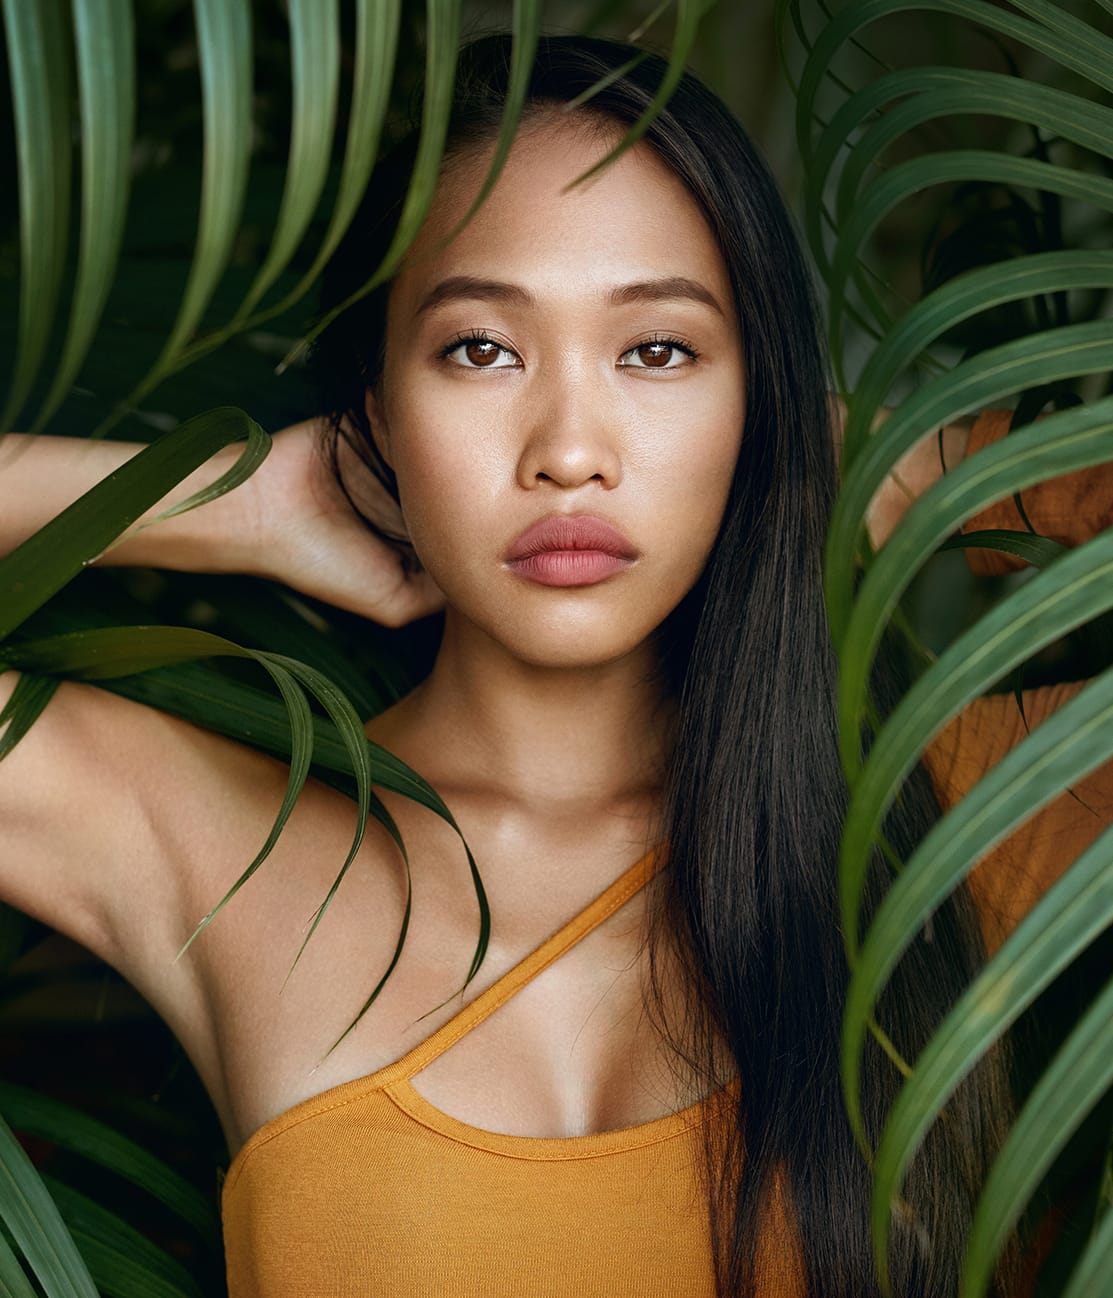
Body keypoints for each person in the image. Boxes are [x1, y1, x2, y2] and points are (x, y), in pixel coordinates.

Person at [0, 32, 1109, 1298]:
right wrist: (242, 502)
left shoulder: (971, 807)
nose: (571, 450)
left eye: (659, 351)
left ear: (760, 397)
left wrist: (872, 460)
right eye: (481, 348)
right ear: (378, 406)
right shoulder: (216, 842)